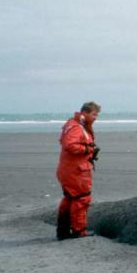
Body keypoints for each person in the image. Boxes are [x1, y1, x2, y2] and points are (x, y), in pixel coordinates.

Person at [56, 101, 101, 240]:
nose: (95, 118)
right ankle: (78, 231)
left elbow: (65, 143)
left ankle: (63, 231)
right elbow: (70, 145)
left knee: (70, 198)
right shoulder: (76, 127)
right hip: (76, 171)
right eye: (94, 114)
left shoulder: (74, 124)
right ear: (85, 113)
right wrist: (87, 149)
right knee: (82, 198)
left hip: (69, 169)